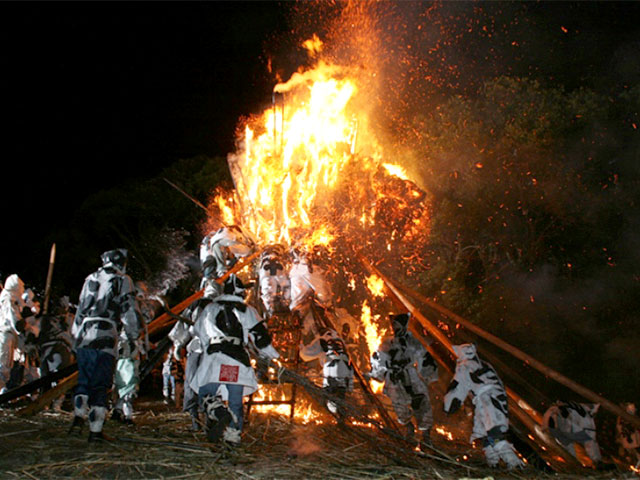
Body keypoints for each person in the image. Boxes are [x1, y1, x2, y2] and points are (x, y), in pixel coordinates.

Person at [189, 274, 279, 445]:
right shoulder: (246, 309)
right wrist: (273, 357)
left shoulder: (210, 308)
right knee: (235, 400)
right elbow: (260, 336)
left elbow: (198, 331)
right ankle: (233, 435)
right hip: (235, 359)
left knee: (206, 394)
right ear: (240, 291)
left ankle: (218, 412)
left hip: (214, 359)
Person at [69, 249, 139, 441]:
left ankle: (77, 419)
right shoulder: (123, 280)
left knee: (84, 380)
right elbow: (128, 310)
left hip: (84, 334)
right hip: (106, 335)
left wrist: (74, 338)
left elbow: (80, 310)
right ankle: (95, 431)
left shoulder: (90, 278)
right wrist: (133, 334)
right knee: (100, 384)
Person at [444, 343, 524, 469]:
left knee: (494, 434)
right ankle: (493, 465)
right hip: (495, 398)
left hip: (487, 400)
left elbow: (457, 387)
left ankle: (515, 465)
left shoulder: (464, 366)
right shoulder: (486, 364)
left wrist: (449, 405)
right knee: (484, 435)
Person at [368, 313, 438, 448]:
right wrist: (376, 373)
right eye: (393, 325)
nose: (395, 328)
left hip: (411, 376)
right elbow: (379, 360)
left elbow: (424, 358)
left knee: (421, 403)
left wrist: (429, 376)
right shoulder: (387, 343)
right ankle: (409, 428)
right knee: (399, 405)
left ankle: (426, 435)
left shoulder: (413, 342)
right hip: (395, 379)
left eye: (398, 325)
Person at [300, 327, 353, 416]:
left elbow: (306, 355)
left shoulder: (322, 340)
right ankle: (341, 417)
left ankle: (330, 415)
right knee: (340, 396)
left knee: (328, 395)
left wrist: (300, 345)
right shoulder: (338, 339)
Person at [0, 275, 37, 392]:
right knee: (3, 367)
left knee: (9, 367)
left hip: (11, 336)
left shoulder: (12, 298)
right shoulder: (9, 298)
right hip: (6, 334)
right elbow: (16, 322)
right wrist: (29, 325)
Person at [543, 401, 602, 467]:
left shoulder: (570, 409)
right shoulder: (555, 412)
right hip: (564, 431)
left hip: (562, 431)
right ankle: (594, 462)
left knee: (571, 446)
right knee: (587, 441)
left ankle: (576, 464)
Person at [257, 244, 290, 317]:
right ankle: (283, 305)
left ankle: (270, 313)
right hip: (276, 271)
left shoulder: (264, 260)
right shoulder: (277, 258)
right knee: (285, 287)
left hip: (267, 273)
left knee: (268, 294)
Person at [616, 402, 640, 468]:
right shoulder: (623, 418)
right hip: (629, 439)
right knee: (632, 453)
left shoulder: (634, 417)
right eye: (632, 409)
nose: (633, 410)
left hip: (635, 439)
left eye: (634, 409)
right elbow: (621, 428)